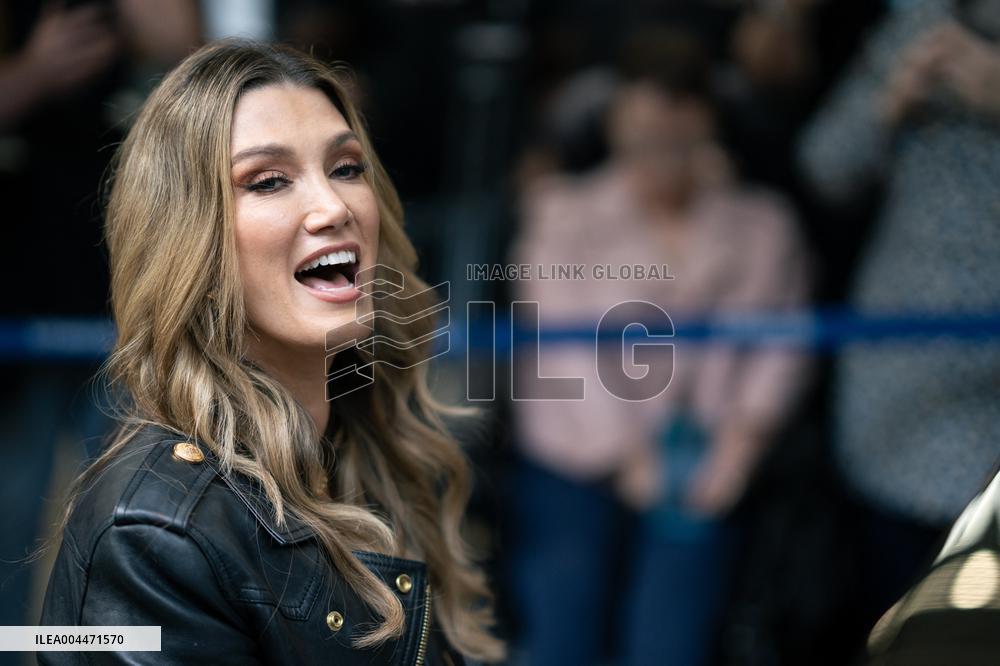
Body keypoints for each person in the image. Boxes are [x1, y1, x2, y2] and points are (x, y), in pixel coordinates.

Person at [37, 39, 505, 665]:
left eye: (346, 168)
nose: (334, 207)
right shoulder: (149, 530)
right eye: (269, 181)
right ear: (188, 237)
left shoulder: (367, 452)